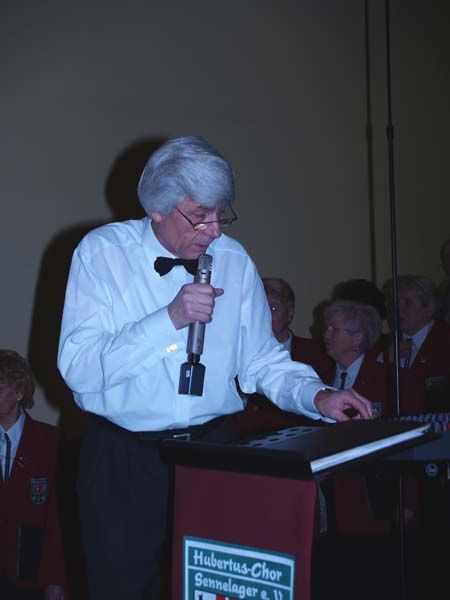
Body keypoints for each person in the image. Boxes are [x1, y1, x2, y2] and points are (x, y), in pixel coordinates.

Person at [57, 135, 373, 600]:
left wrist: (318, 395)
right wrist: (169, 320)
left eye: (221, 214)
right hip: (124, 459)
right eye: (200, 216)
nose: (214, 231)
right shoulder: (101, 254)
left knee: (214, 586)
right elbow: (80, 369)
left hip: (212, 451)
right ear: (156, 208)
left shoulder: (234, 260)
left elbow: (262, 361)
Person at [0, 350, 66, 600]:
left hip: (30, 573)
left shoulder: (49, 441)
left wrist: (55, 579)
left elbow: (57, 517)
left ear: (19, 392)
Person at [381, 275, 450, 414]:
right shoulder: (383, 344)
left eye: (407, 303)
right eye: (395, 302)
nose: (398, 309)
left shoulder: (445, 341)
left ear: (428, 309)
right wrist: (385, 361)